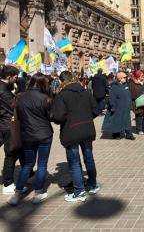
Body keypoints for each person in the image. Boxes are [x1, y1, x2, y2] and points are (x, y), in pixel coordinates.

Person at [52, 71, 100, 203]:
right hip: (87, 129)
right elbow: (96, 110)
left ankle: (79, 191)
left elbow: (58, 116)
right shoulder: (85, 91)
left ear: (62, 81)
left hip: (71, 131)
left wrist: (66, 119)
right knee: (88, 157)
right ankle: (92, 184)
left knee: (74, 162)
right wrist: (86, 118)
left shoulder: (62, 95)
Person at [8, 73, 54, 205]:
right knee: (42, 164)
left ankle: (17, 194)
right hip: (44, 134)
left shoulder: (20, 97)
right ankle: (38, 192)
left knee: (27, 164)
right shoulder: (46, 98)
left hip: (27, 134)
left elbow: (16, 114)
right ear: (42, 84)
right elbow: (50, 116)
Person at [0, 65, 22, 195]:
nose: (16, 79)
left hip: (4, 123)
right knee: (11, 153)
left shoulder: (4, 88)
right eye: (15, 77)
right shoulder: (4, 91)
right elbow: (13, 106)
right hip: (8, 125)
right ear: (9, 77)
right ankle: (8, 182)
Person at [102, 72, 134, 140]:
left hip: (126, 107)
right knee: (117, 121)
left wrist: (130, 104)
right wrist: (113, 106)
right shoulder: (114, 87)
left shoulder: (126, 85)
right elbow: (111, 98)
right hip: (118, 107)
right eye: (124, 77)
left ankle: (129, 134)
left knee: (127, 121)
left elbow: (129, 95)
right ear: (120, 79)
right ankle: (116, 134)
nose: (126, 78)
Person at [130, 70, 144, 135]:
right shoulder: (132, 83)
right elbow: (132, 94)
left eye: (143, 76)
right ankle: (139, 129)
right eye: (141, 76)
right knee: (139, 116)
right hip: (137, 103)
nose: (143, 77)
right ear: (137, 76)